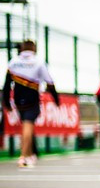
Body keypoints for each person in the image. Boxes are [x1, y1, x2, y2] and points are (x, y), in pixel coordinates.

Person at [3, 40, 59, 168]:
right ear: (34, 49)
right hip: (32, 98)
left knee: (26, 125)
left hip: (17, 99)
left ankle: (29, 155)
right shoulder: (38, 62)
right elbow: (49, 82)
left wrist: (6, 102)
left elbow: (7, 84)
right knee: (28, 126)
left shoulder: (13, 62)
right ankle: (23, 156)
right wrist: (56, 99)